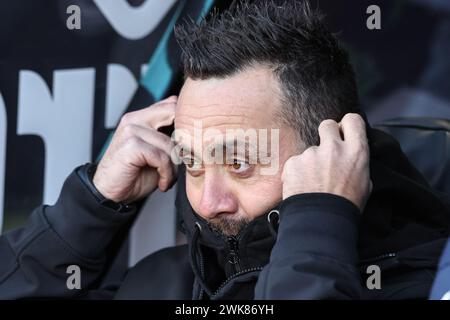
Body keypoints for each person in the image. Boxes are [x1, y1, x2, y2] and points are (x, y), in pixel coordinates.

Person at [0, 0, 448, 300]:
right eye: (192, 162)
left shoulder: (428, 284)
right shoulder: (163, 283)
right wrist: (89, 210)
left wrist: (319, 220)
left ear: (336, 153)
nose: (209, 202)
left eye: (239, 162)